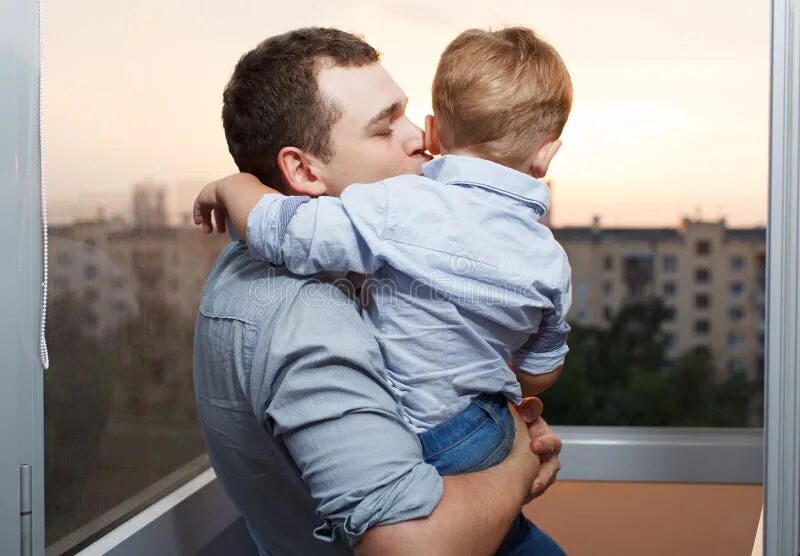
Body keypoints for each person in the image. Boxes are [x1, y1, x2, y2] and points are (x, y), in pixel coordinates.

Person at [195, 27, 572, 554]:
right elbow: (410, 548)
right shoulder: (307, 318)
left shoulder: (355, 265)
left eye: (408, 113)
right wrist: (515, 459)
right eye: (383, 127)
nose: (420, 135)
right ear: (302, 170)